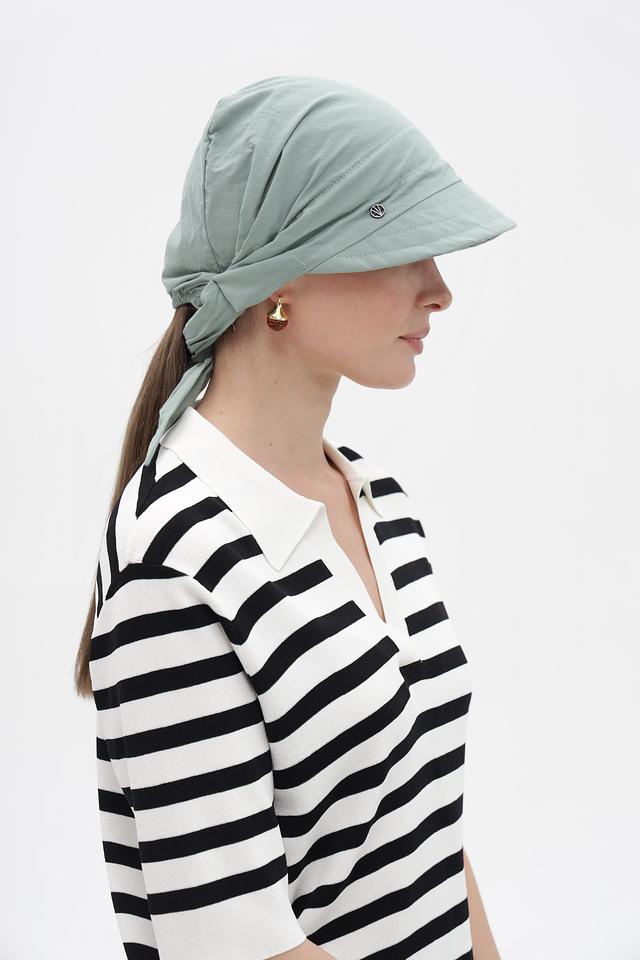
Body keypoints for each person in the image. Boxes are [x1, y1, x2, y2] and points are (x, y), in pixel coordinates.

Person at [74, 74, 516, 960]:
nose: (440, 290)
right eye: (404, 247)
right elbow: (235, 947)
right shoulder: (173, 564)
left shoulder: (378, 501)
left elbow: (427, 822)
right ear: (282, 274)